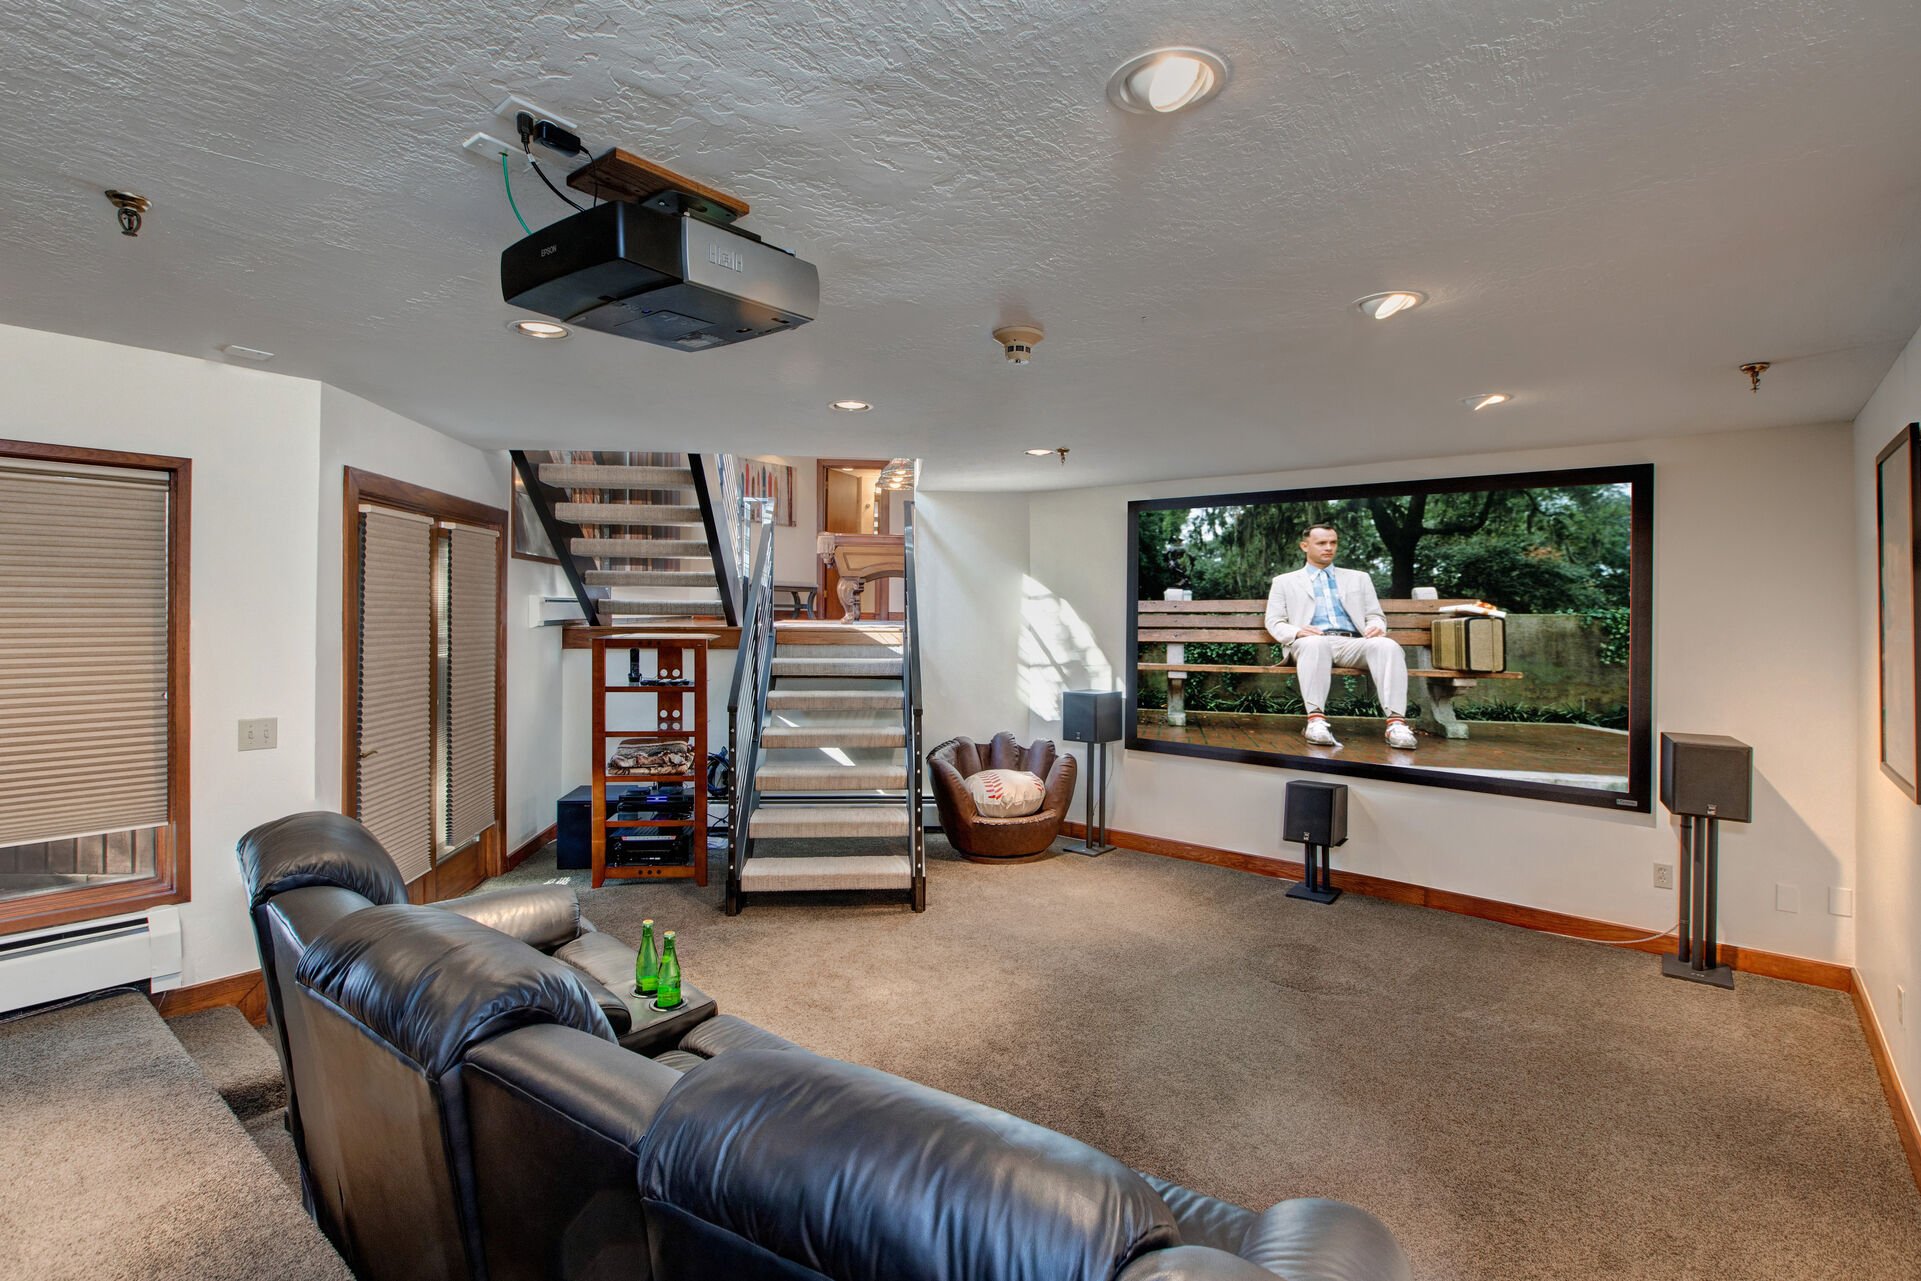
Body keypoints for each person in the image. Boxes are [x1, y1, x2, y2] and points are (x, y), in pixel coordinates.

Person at [1263, 522, 1417, 750]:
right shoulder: (1284, 582)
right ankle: (1315, 721)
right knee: (1315, 643)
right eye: (1322, 543)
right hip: (1310, 642)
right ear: (1305, 546)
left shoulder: (1359, 578)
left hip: (1353, 642)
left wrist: (1376, 627)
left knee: (1387, 646)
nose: (1329, 548)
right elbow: (1274, 621)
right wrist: (1297, 631)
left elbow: (1375, 615)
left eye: (1333, 542)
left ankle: (1396, 724)